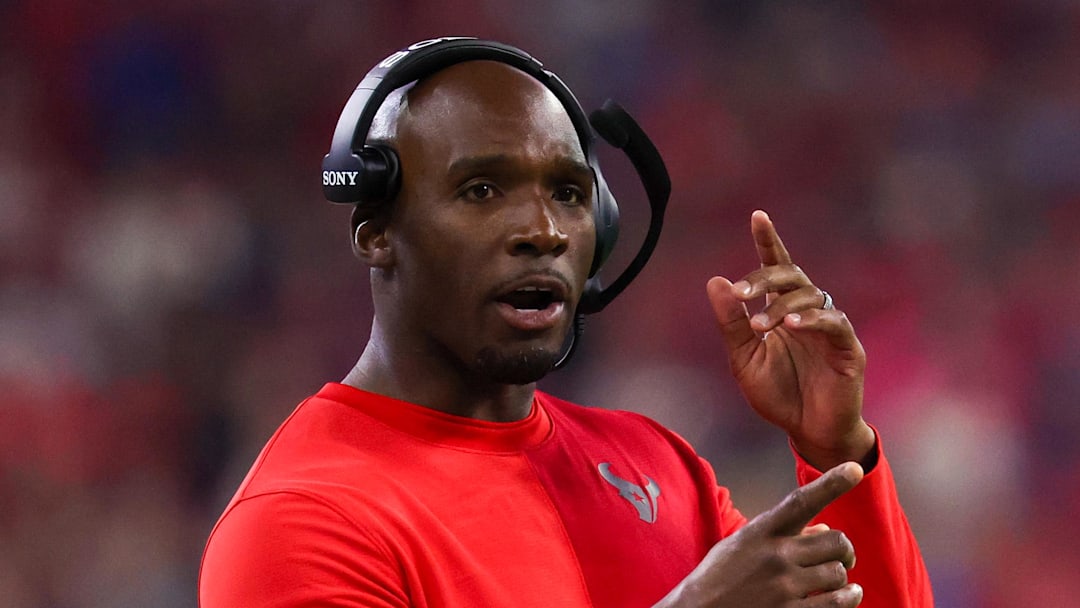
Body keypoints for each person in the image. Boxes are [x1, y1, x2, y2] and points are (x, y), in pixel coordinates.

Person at [199, 38, 932, 607]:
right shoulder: (303, 519)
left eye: (569, 192)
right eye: (481, 189)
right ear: (374, 230)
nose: (544, 230)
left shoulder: (658, 468)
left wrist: (836, 446)